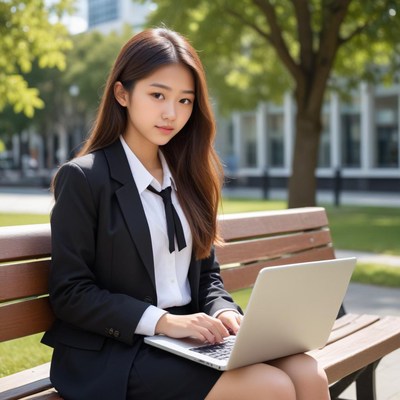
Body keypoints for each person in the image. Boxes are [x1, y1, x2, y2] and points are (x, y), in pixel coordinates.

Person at [42, 27, 330, 400]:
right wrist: (163, 322)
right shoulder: (84, 178)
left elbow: (207, 275)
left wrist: (224, 312)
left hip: (189, 339)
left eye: (185, 101)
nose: (171, 113)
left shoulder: (188, 176)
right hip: (117, 351)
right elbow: (70, 293)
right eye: (158, 95)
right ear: (122, 93)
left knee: (308, 373)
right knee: (270, 387)